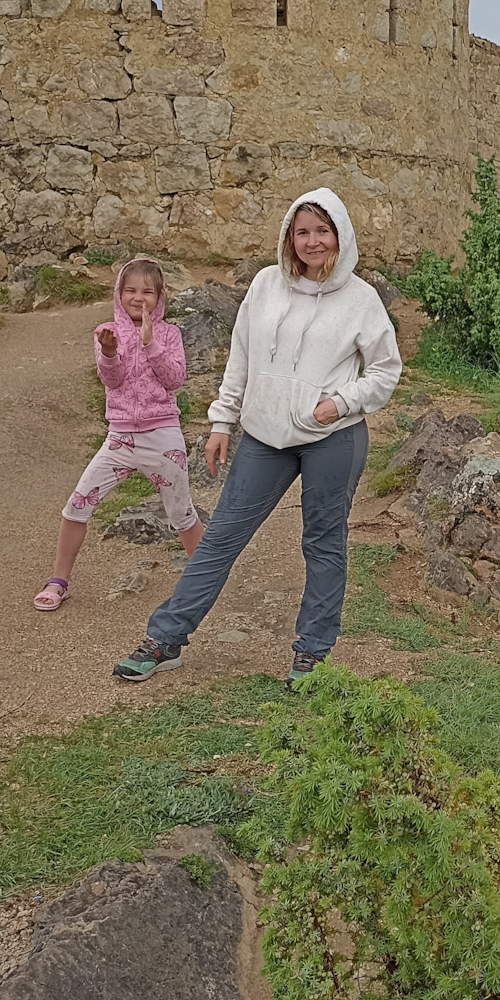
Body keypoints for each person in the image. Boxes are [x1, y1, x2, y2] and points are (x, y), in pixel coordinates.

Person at [113, 189, 402, 683]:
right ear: (290, 235)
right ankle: (165, 639)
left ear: (341, 235)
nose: (312, 241)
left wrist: (340, 403)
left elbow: (385, 370)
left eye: (323, 231)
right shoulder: (267, 284)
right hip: (266, 436)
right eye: (303, 231)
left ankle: (312, 653)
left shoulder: (361, 299)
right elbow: (241, 356)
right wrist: (223, 420)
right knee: (221, 537)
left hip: (332, 437)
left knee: (323, 542)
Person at [34, 257, 204, 610]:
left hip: (163, 435)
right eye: (130, 290)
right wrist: (110, 353)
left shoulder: (170, 334)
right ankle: (59, 579)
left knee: (182, 514)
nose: (138, 297)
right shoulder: (107, 331)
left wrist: (150, 343)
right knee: (76, 506)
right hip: (120, 438)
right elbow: (111, 380)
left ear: (160, 296)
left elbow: (175, 379)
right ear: (118, 294)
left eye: (147, 291)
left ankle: (206, 582)